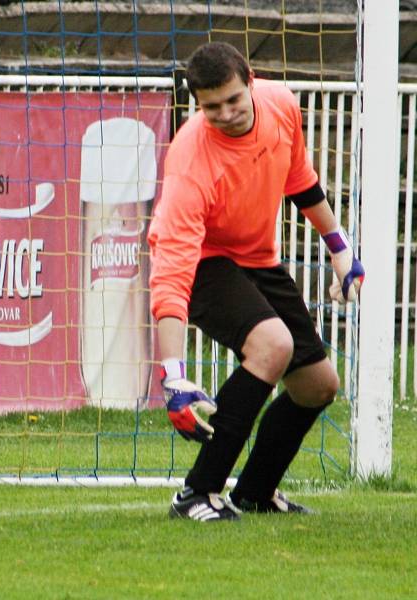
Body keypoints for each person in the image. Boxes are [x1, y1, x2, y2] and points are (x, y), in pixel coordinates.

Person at [147, 42, 365, 522]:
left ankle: (256, 493)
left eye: (233, 100)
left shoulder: (281, 103)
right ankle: (197, 494)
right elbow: (171, 272)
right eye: (211, 107)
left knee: (317, 385)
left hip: (257, 257)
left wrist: (339, 247)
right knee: (272, 344)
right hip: (203, 261)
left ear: (250, 80)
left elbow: (300, 178)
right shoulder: (190, 160)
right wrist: (173, 375)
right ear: (196, 105)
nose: (225, 114)